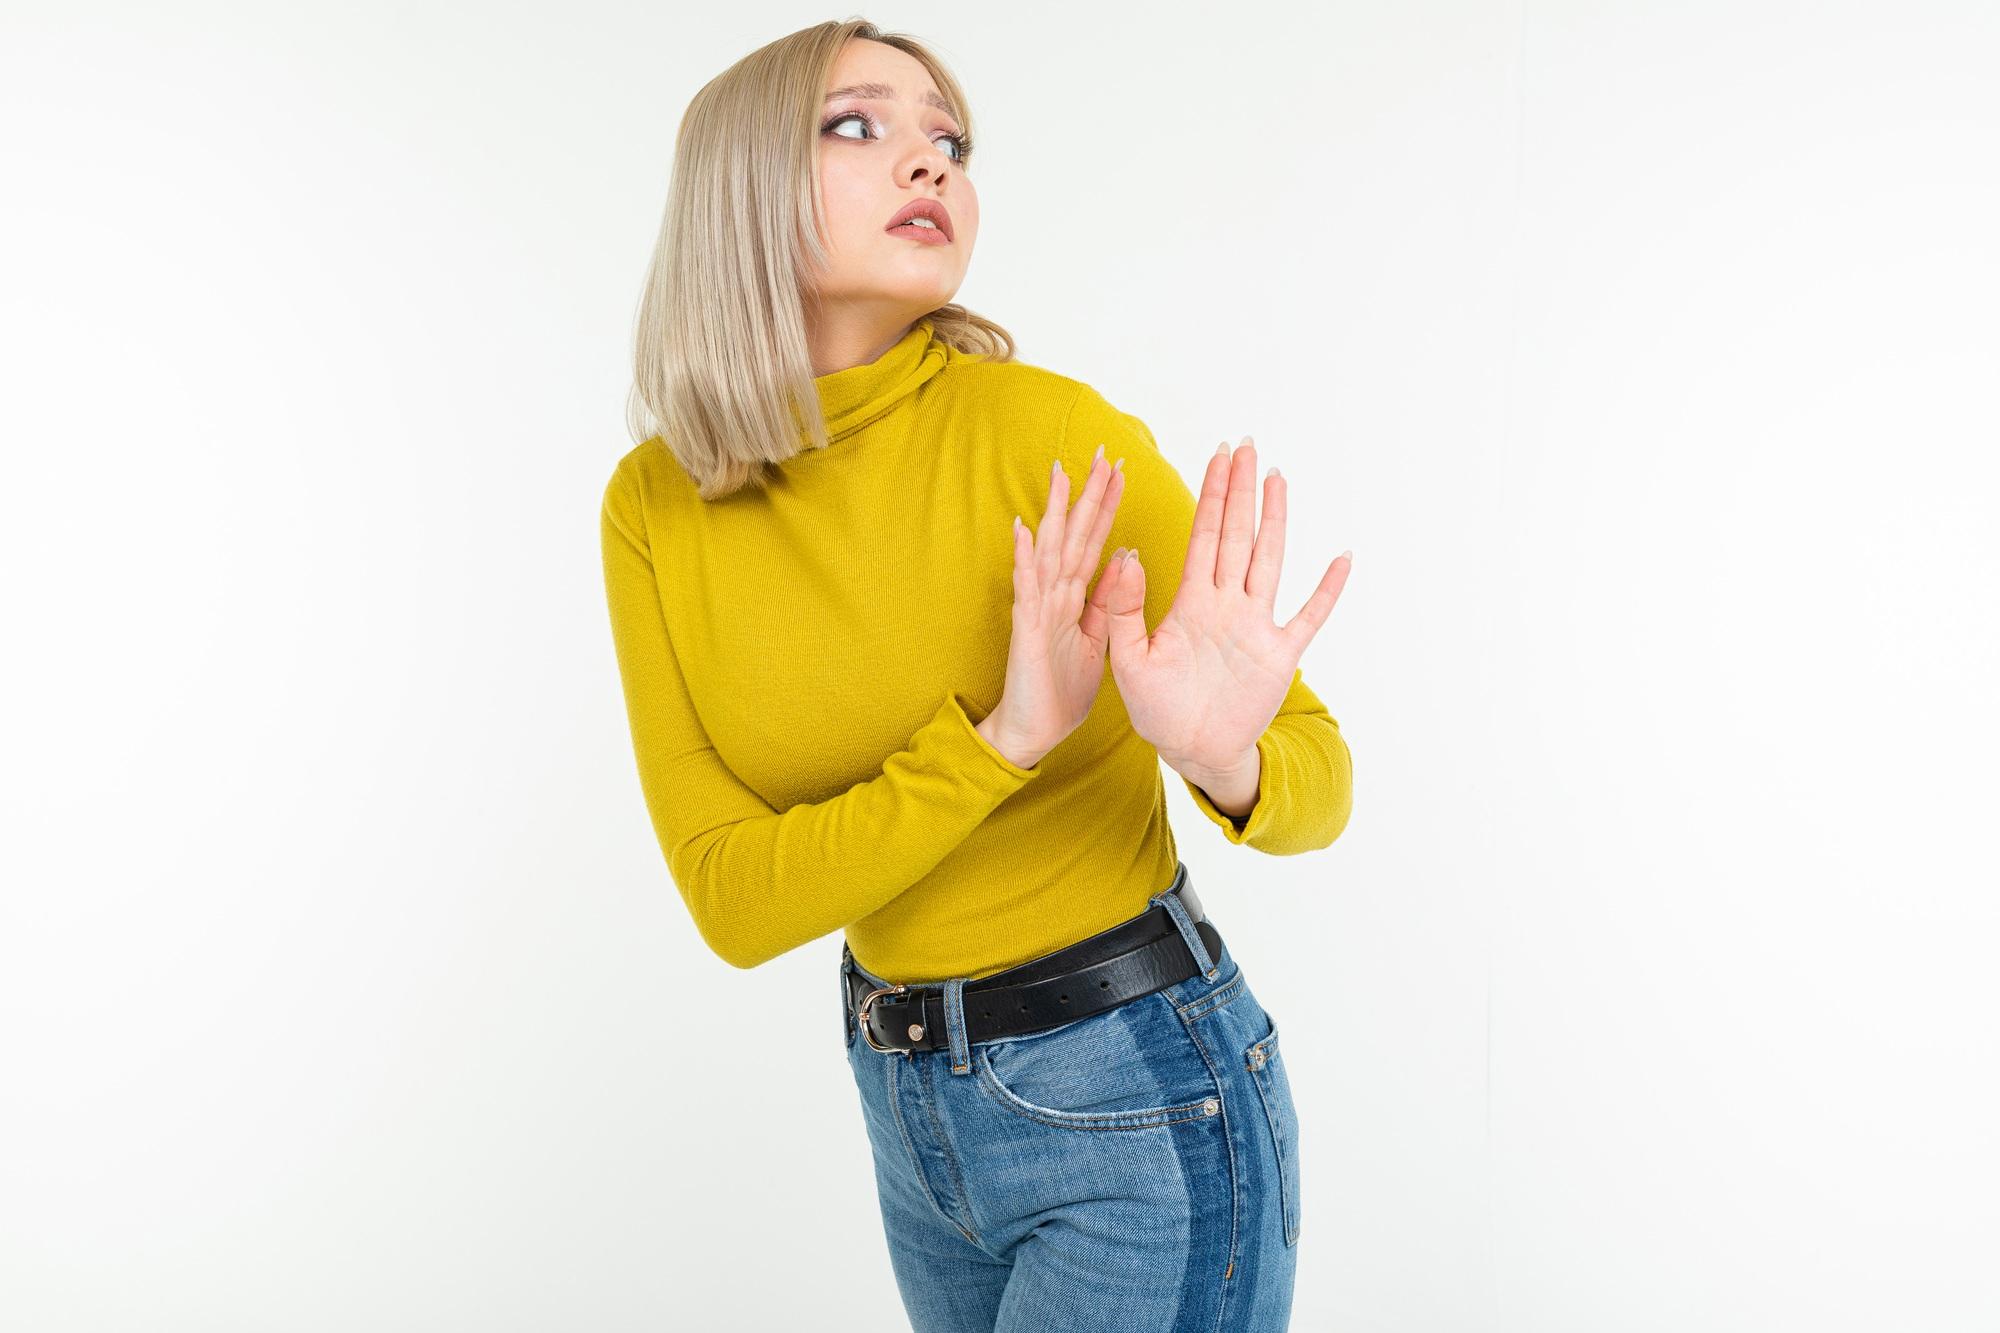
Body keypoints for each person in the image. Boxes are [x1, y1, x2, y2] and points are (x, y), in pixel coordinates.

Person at [599, 18, 1355, 1330]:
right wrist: (997, 743)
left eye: (950, 139)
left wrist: (1221, 753)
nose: (930, 164)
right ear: (737, 190)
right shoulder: (654, 505)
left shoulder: (1055, 439)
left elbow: (1319, 778)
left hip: (1136, 1089)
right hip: (904, 1102)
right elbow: (732, 896)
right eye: (860, 126)